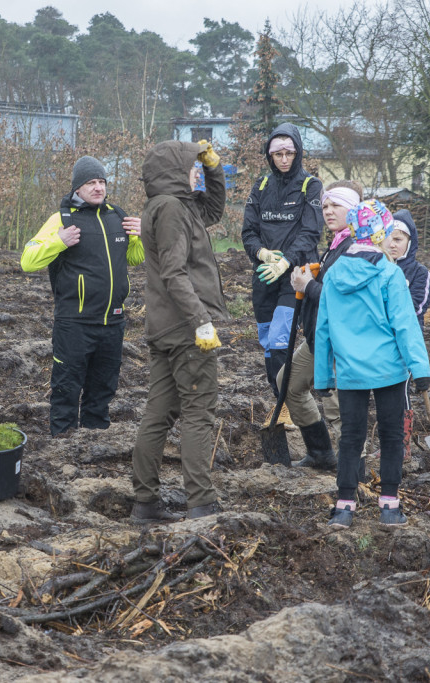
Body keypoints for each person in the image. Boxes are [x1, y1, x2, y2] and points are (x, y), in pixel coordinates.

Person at [314, 200, 430, 529]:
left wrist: (323, 376)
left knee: (351, 437)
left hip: (350, 372)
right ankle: (390, 506)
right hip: (389, 371)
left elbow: (322, 329)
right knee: (392, 436)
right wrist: (420, 369)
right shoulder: (390, 274)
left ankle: (344, 506)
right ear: (381, 232)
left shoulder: (333, 274)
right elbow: (405, 325)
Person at [130, 139, 228, 523]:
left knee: (159, 412)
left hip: (166, 326)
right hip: (185, 330)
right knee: (197, 412)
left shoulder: (176, 205)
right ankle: (201, 504)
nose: (196, 173)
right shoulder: (171, 210)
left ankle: (145, 504)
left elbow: (214, 210)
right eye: (192, 167)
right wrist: (200, 321)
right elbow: (173, 273)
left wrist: (214, 168)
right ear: (173, 172)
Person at [21, 155, 144, 435]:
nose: (98, 188)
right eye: (91, 182)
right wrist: (58, 241)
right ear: (78, 187)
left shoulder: (118, 216)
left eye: (102, 182)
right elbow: (28, 260)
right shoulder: (62, 219)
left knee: (102, 390)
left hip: (113, 323)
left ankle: (93, 442)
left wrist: (139, 237)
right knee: (66, 388)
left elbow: (135, 259)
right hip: (74, 323)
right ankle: (62, 447)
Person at [241, 123, 324, 418]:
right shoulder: (260, 187)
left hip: (296, 277)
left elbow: (311, 233)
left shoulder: (310, 186)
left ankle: (287, 406)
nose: (284, 159)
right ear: (270, 156)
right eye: (278, 154)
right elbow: (248, 231)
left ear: (298, 152)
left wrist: (283, 262)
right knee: (267, 343)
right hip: (264, 278)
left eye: (289, 153)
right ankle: (280, 402)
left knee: (280, 341)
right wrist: (262, 254)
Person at [281, 180, 364, 469]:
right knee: (287, 384)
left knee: (338, 407)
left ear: (353, 210)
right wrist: (312, 277)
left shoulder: (356, 247)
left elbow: (344, 300)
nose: (328, 211)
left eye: (336, 205)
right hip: (319, 337)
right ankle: (320, 453)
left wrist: (310, 285)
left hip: (342, 341)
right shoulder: (336, 243)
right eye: (325, 205)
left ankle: (353, 469)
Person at [381, 209, 430, 461]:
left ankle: (402, 445)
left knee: (399, 391)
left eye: (398, 239)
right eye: (388, 237)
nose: (392, 244)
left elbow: (414, 308)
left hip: (403, 345)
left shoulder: (419, 273)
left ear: (409, 243)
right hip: (376, 343)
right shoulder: (375, 267)